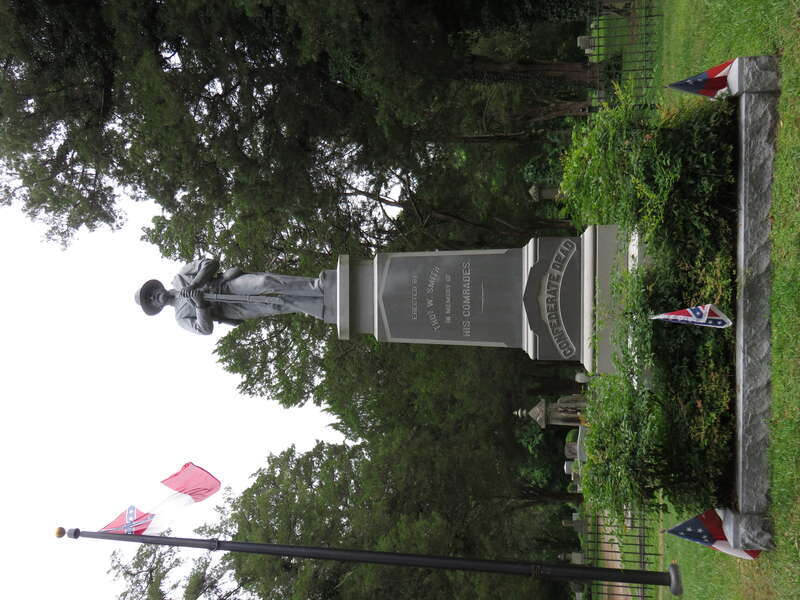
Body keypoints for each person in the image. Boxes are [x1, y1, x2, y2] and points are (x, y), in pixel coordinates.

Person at [135, 257, 332, 335]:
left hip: (227, 286)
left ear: (157, 286)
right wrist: (200, 306)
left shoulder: (180, 276)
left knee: (266, 282)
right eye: (150, 300)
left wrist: (195, 284)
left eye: (151, 293)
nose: (154, 297)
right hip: (229, 309)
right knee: (277, 306)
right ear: (156, 308)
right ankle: (321, 307)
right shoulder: (180, 318)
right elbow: (204, 329)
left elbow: (210, 263)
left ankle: (319, 287)